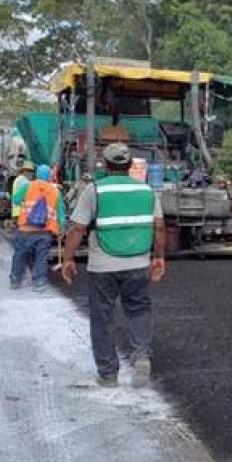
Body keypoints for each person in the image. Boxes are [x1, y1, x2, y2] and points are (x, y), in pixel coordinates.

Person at [61, 143, 166, 389]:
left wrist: (67, 258)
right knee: (139, 308)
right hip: (138, 262)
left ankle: (108, 374)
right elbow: (159, 226)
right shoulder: (147, 191)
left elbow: (77, 228)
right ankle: (141, 354)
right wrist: (159, 257)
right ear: (130, 166)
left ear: (105, 166)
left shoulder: (94, 190)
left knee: (102, 317)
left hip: (103, 266)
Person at [10, 165, 66, 291]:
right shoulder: (55, 191)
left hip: (25, 229)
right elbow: (61, 213)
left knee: (20, 254)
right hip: (44, 231)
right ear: (49, 176)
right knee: (41, 256)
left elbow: (16, 199)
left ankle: (15, 280)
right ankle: (39, 282)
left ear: (37, 174)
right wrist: (62, 229)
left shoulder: (28, 186)